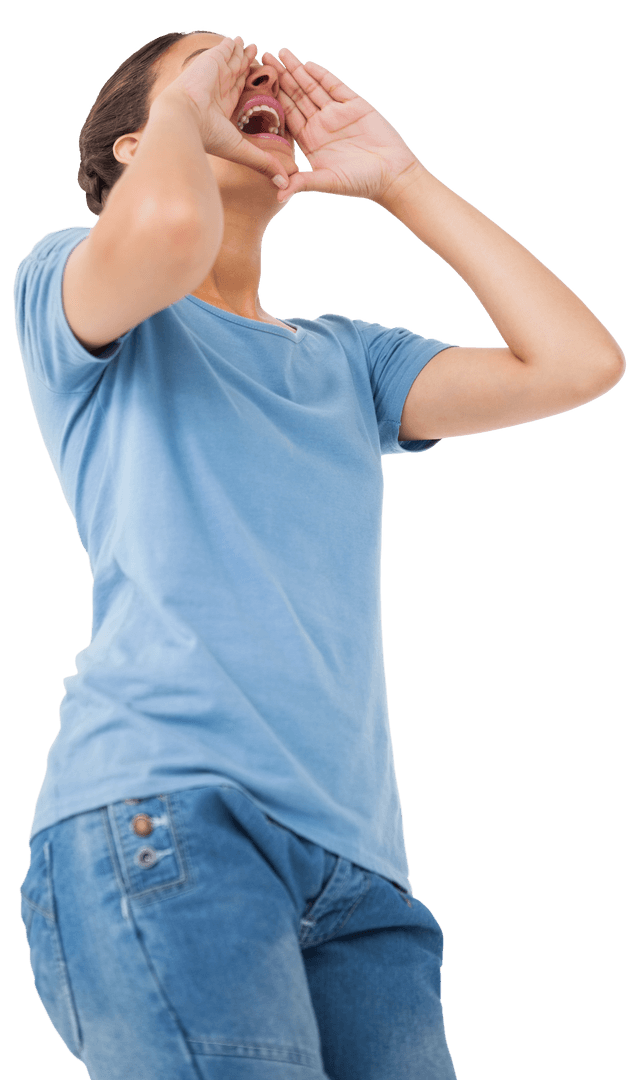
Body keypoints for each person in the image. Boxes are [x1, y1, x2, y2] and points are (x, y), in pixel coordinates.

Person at [14, 28, 624, 1080]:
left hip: (361, 880)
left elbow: (579, 362)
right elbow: (159, 233)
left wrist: (402, 181)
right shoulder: (69, 281)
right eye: (217, 70)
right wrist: (184, 114)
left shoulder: (349, 362)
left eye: (258, 77)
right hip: (168, 820)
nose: (255, 74)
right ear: (132, 145)